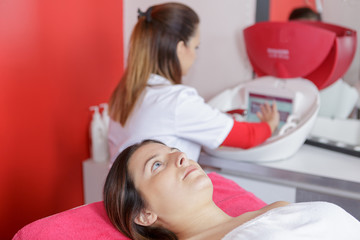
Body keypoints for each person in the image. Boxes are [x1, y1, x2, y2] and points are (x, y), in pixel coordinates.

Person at [107, 2, 279, 163]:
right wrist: (270, 124)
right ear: (181, 48)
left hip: (120, 194)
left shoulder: (125, 93)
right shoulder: (176, 101)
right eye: (195, 47)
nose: (195, 55)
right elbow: (248, 137)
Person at [104, 139, 360, 240]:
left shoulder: (277, 209)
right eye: (157, 165)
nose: (181, 156)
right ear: (145, 214)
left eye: (174, 150)